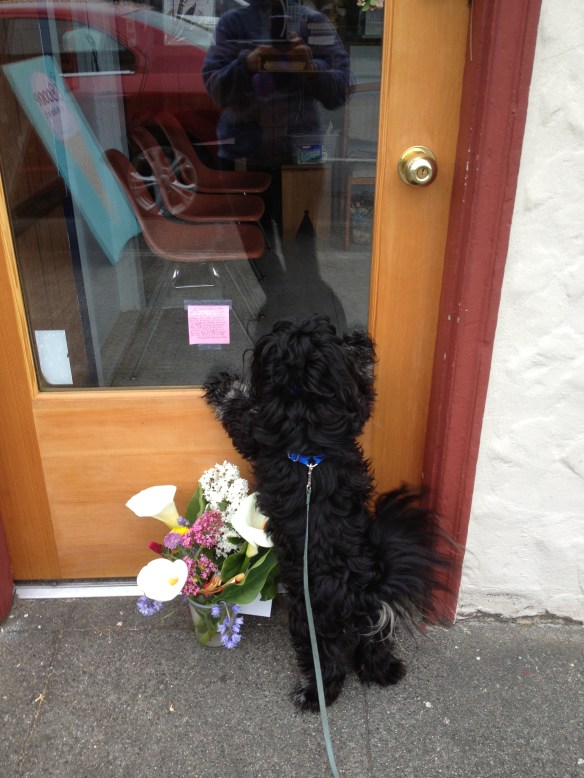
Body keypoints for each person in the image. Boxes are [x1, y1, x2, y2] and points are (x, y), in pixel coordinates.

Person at [202, 0, 350, 171]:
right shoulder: (233, 23)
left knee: (297, 194)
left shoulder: (313, 21)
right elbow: (215, 88)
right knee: (300, 195)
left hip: (282, 150)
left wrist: (311, 69)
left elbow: (341, 89)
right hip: (256, 151)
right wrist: (247, 64)